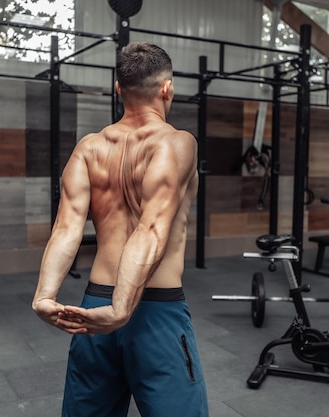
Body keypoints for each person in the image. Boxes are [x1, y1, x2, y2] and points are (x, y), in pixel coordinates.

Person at [32, 41, 208, 417]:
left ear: (118, 89)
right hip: (153, 311)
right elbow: (151, 228)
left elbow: (66, 227)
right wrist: (122, 309)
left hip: (93, 309)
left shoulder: (89, 148)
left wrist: (45, 296)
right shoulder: (177, 144)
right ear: (167, 88)